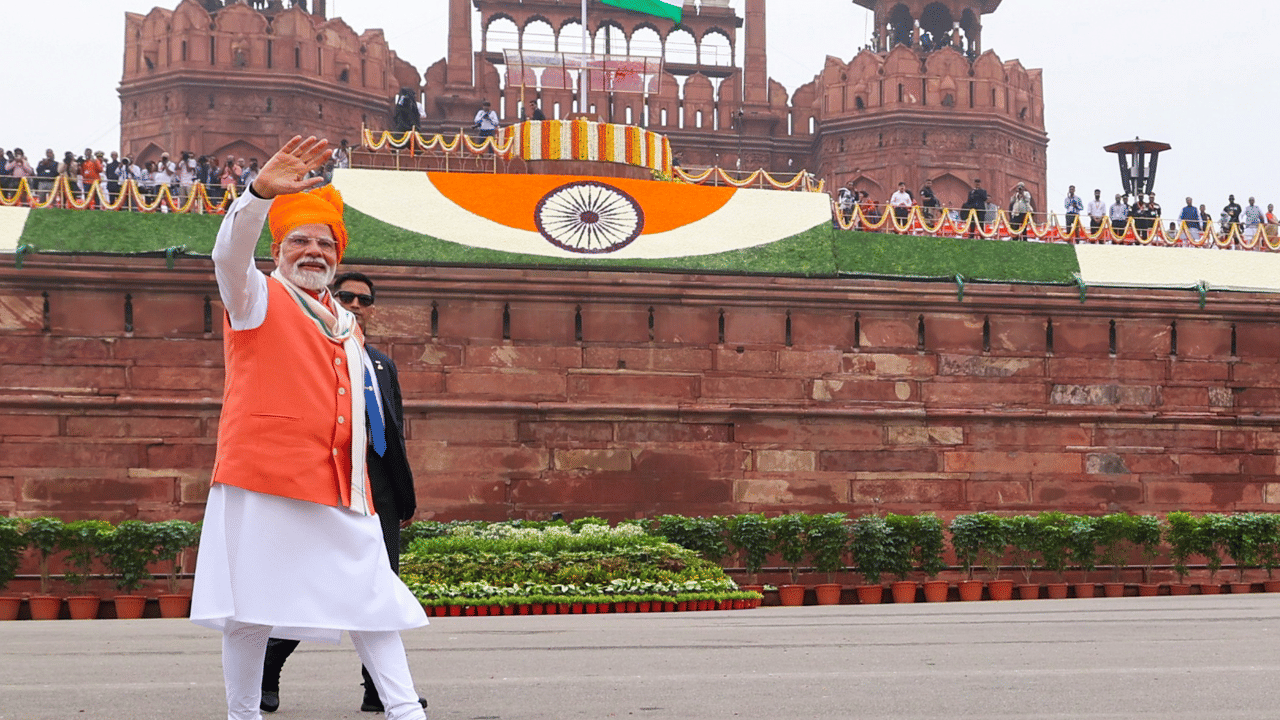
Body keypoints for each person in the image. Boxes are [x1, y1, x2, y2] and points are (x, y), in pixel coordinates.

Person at [191, 135, 429, 720]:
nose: (314, 251)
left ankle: (405, 711)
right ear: (279, 248)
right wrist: (256, 196)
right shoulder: (257, 299)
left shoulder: (347, 322)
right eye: (300, 240)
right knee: (250, 610)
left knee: (373, 599)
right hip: (264, 478)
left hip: (341, 487)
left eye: (326, 243)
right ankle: (242, 714)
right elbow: (228, 258)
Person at [260, 269, 426, 715]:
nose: (355, 305)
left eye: (364, 300)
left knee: (381, 587)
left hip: (377, 486)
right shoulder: (311, 354)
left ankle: (378, 691)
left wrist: (402, 496)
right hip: (328, 478)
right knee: (314, 582)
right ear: (329, 298)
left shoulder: (380, 363)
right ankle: (266, 671)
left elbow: (392, 433)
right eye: (346, 296)